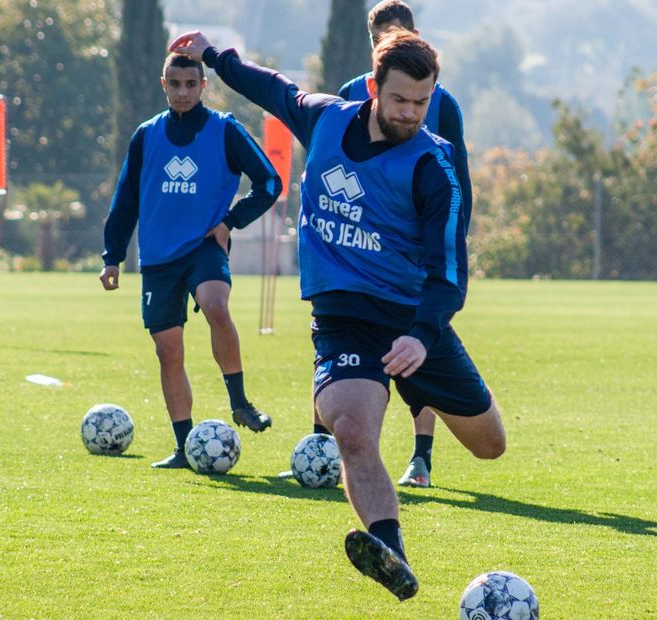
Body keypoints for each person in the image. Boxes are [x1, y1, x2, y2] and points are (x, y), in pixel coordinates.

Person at [168, 29, 506, 600]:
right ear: (373, 87)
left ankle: (425, 396)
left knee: (489, 444)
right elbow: (272, 89)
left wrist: (424, 336)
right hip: (344, 316)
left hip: (413, 321)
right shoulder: (325, 120)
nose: (411, 113)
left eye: (423, 103)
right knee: (351, 431)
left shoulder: (433, 165)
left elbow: (450, 272)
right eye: (400, 100)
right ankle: (390, 551)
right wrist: (214, 57)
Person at [100, 53, 282, 470]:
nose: (182, 91)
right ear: (163, 84)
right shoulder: (146, 135)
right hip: (159, 257)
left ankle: (240, 402)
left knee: (217, 306)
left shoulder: (225, 130)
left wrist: (230, 222)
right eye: (174, 83)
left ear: (203, 86)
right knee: (169, 352)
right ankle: (185, 447)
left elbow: (270, 182)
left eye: (190, 83)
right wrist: (112, 257)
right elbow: (125, 200)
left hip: (204, 246)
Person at [329, 0, 474, 489]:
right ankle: (325, 451)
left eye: (400, 35)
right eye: (382, 38)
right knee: (340, 348)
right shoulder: (352, 93)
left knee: (417, 354)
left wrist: (449, 248)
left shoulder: (442, 102)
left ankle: (421, 456)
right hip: (355, 249)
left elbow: (457, 181)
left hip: (412, 254)